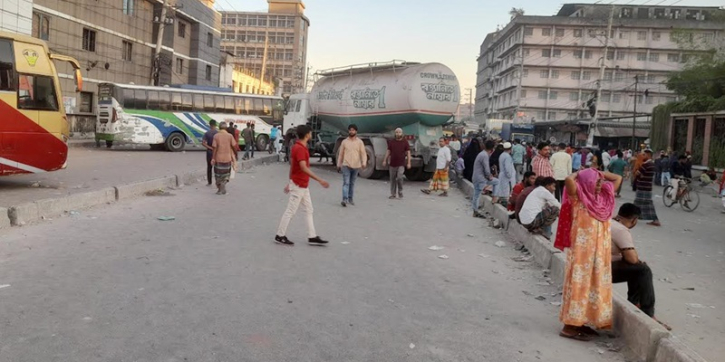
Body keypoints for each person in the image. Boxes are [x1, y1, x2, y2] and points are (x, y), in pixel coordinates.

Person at [559, 168, 622, 342]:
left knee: (595, 286)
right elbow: (568, 180)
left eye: (601, 181)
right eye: (596, 181)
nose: (600, 184)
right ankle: (569, 326)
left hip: (599, 253)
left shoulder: (604, 197)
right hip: (581, 254)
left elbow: (618, 177)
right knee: (580, 285)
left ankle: (582, 322)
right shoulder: (579, 196)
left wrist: (598, 172)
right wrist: (581, 173)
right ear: (586, 183)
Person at [610, 203, 669, 329]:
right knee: (643, 270)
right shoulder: (621, 230)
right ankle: (648, 312)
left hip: (598, 264)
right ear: (634, 220)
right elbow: (632, 258)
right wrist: (637, 261)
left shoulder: (610, 222)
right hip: (604, 268)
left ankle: (634, 302)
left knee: (637, 268)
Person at [274, 125, 330, 246]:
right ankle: (280, 235)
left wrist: (289, 182)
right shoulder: (299, 149)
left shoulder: (298, 147)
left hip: (301, 184)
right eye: (310, 133)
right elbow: (303, 167)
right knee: (290, 210)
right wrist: (320, 180)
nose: (311, 135)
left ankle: (312, 235)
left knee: (309, 209)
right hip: (299, 184)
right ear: (307, 135)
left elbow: (292, 166)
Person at [337, 124, 367, 207]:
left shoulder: (360, 142)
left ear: (356, 131)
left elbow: (363, 153)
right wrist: (339, 164)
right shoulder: (344, 142)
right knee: (346, 182)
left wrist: (364, 162)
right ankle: (344, 199)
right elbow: (341, 154)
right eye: (350, 130)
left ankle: (350, 198)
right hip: (346, 165)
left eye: (353, 130)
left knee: (352, 183)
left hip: (356, 166)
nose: (351, 131)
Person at [471, 140, 499, 216]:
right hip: (481, 178)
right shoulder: (485, 155)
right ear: (492, 149)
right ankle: (494, 197)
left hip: (477, 177)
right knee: (496, 182)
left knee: (476, 194)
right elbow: (486, 169)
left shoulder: (482, 154)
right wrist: (489, 176)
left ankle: (475, 210)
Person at [634, 150, 661, 227]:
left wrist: (639, 174)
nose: (643, 156)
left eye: (644, 155)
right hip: (647, 187)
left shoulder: (646, 165)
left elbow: (637, 174)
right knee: (643, 203)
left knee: (641, 203)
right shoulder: (652, 164)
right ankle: (634, 216)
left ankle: (632, 217)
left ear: (648, 155)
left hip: (643, 187)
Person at [383, 128, 411, 199]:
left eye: (399, 132)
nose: (398, 133)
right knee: (392, 179)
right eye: (397, 132)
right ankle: (393, 194)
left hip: (401, 164)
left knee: (399, 177)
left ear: (402, 133)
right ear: (395, 133)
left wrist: (408, 163)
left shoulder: (405, 142)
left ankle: (400, 191)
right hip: (392, 164)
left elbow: (408, 153)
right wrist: (384, 160)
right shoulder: (392, 142)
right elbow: (388, 151)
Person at [210, 122, 237, 195]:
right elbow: (234, 146)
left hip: (218, 158)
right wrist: (235, 156)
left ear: (219, 128)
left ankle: (220, 189)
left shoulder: (216, 136)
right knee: (226, 175)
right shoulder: (230, 136)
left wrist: (213, 158)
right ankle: (223, 188)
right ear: (226, 128)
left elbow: (214, 148)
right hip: (227, 158)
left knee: (218, 175)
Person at [495, 142, 516, 206]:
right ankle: (504, 203)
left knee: (502, 190)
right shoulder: (507, 157)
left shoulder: (502, 155)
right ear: (510, 148)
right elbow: (507, 168)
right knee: (506, 191)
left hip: (502, 175)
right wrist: (509, 177)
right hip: (506, 177)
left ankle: (501, 200)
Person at [201, 119, 218, 186]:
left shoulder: (207, 133)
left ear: (210, 125)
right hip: (217, 152)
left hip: (209, 152)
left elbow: (203, 143)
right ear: (215, 125)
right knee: (217, 168)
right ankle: (217, 182)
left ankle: (209, 182)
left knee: (209, 167)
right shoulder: (218, 133)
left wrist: (210, 147)